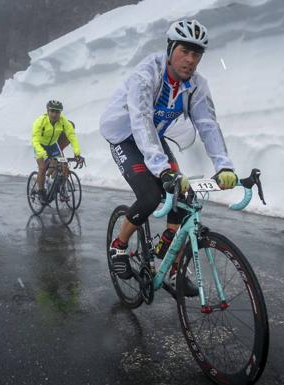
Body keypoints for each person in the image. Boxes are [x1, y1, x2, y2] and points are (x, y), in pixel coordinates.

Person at [99, 20, 239, 297]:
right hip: (124, 136)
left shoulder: (197, 85)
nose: (190, 60)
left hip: (153, 135)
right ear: (170, 48)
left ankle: (171, 259)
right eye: (184, 51)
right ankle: (119, 244)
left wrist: (224, 165)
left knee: (183, 193)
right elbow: (140, 121)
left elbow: (208, 125)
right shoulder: (146, 74)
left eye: (196, 54)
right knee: (151, 196)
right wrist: (162, 169)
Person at [31, 100, 84, 200]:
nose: (55, 114)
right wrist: (44, 155)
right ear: (48, 111)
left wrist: (77, 154)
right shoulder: (40, 122)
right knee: (42, 168)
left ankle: (57, 186)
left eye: (58, 112)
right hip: (40, 146)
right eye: (52, 111)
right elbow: (35, 140)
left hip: (53, 146)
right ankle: (41, 191)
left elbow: (72, 136)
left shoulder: (63, 121)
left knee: (63, 164)